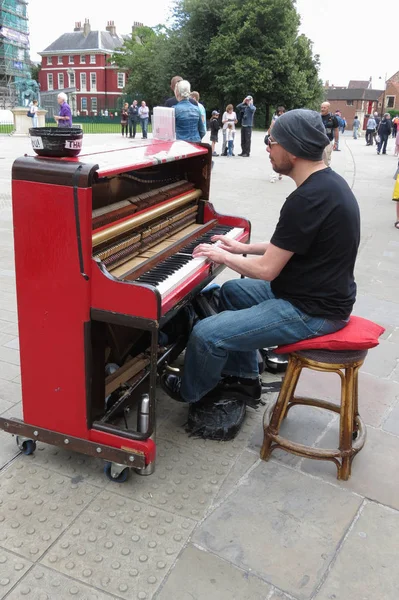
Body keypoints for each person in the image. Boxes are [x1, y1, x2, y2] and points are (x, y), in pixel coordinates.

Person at [161, 109, 360, 406]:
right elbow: (288, 244)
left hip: (314, 312)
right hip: (312, 293)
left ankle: (191, 391)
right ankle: (242, 379)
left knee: (206, 334)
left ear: (292, 150)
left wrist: (221, 256)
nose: (267, 147)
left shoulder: (307, 199)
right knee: (231, 292)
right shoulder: (326, 185)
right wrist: (240, 248)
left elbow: (267, 270)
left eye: (271, 140)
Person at [268, 105, 286, 181]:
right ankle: (273, 175)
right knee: (274, 157)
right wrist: (268, 135)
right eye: (280, 112)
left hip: (282, 140)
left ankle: (280, 172)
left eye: (282, 112)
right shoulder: (275, 118)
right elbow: (271, 128)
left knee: (282, 157)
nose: (281, 113)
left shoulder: (286, 119)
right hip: (275, 139)